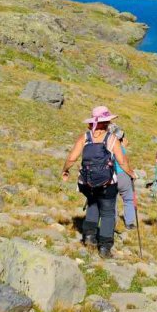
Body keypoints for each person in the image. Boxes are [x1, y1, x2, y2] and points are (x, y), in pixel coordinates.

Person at [61, 106, 135, 258]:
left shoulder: (85, 137)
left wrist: (65, 170)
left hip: (87, 182)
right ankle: (104, 248)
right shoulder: (112, 139)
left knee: (92, 204)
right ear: (106, 122)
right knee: (107, 212)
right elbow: (122, 161)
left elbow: (72, 158)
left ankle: (89, 237)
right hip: (107, 183)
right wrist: (131, 173)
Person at [111, 126, 137, 231]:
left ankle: (112, 223)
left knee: (112, 200)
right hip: (122, 175)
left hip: (110, 176)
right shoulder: (120, 148)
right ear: (121, 138)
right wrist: (131, 173)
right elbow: (124, 162)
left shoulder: (107, 145)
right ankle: (129, 223)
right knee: (128, 198)